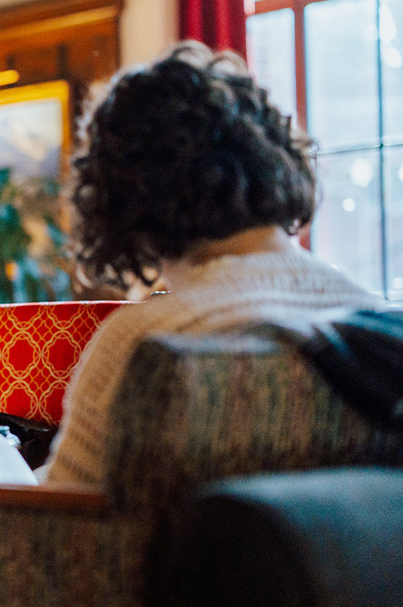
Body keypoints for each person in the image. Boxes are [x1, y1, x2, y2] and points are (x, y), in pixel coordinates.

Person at [40, 41, 385, 486]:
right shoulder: (379, 323)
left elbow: (68, 527)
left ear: (117, 197)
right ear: (274, 154)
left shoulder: (146, 344)